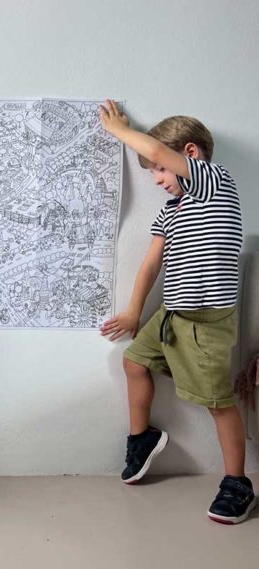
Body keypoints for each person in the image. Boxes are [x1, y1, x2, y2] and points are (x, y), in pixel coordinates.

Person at [99, 100, 255, 524]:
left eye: (160, 170)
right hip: (171, 316)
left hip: (206, 324)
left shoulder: (214, 183)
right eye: (151, 172)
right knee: (133, 361)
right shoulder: (170, 212)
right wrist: (133, 312)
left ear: (190, 156)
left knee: (219, 403)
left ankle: (238, 482)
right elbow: (151, 264)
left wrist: (117, 129)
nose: (157, 179)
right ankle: (142, 438)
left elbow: (159, 151)